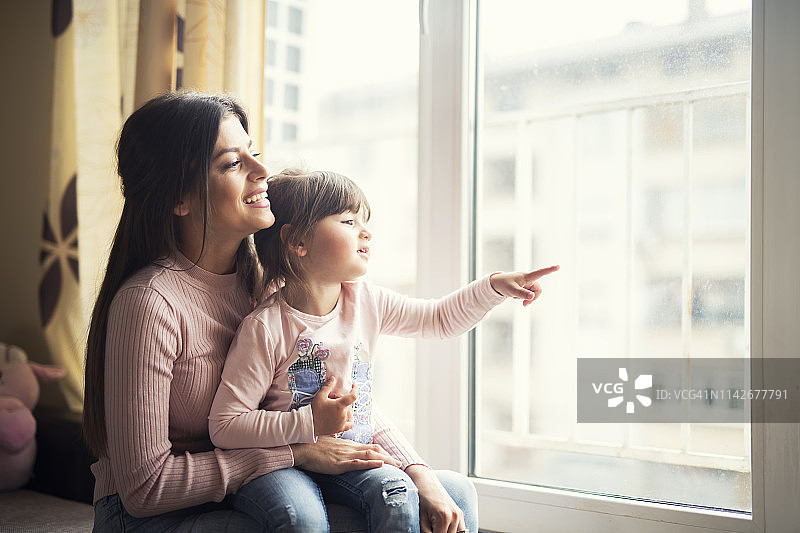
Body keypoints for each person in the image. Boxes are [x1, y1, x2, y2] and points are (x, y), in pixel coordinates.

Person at [82, 91, 445, 532]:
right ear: (179, 198)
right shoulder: (149, 303)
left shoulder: (269, 285)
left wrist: (415, 468)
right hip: (152, 512)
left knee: (443, 496)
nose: (263, 171)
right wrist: (296, 451)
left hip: (244, 487)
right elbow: (145, 489)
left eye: (253, 153)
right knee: (300, 520)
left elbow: (332, 395)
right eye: (233, 163)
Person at [208, 168, 560, 532]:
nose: (366, 232)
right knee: (299, 518)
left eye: (365, 221)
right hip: (284, 464)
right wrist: (308, 423)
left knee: (397, 492)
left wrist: (493, 287)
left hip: (351, 457)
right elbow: (225, 425)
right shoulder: (265, 327)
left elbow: (438, 319)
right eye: (348, 220)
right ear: (298, 242)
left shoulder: (365, 300)